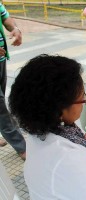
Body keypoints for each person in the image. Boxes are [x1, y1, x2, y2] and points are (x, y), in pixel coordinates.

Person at [9, 54, 86, 199]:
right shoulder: (65, 156)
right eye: (81, 97)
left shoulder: (41, 133)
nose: (84, 101)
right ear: (60, 108)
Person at [0, 3, 26, 160]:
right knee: (0, 105)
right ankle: (21, 146)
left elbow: (6, 18)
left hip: (1, 60)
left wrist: (15, 29)